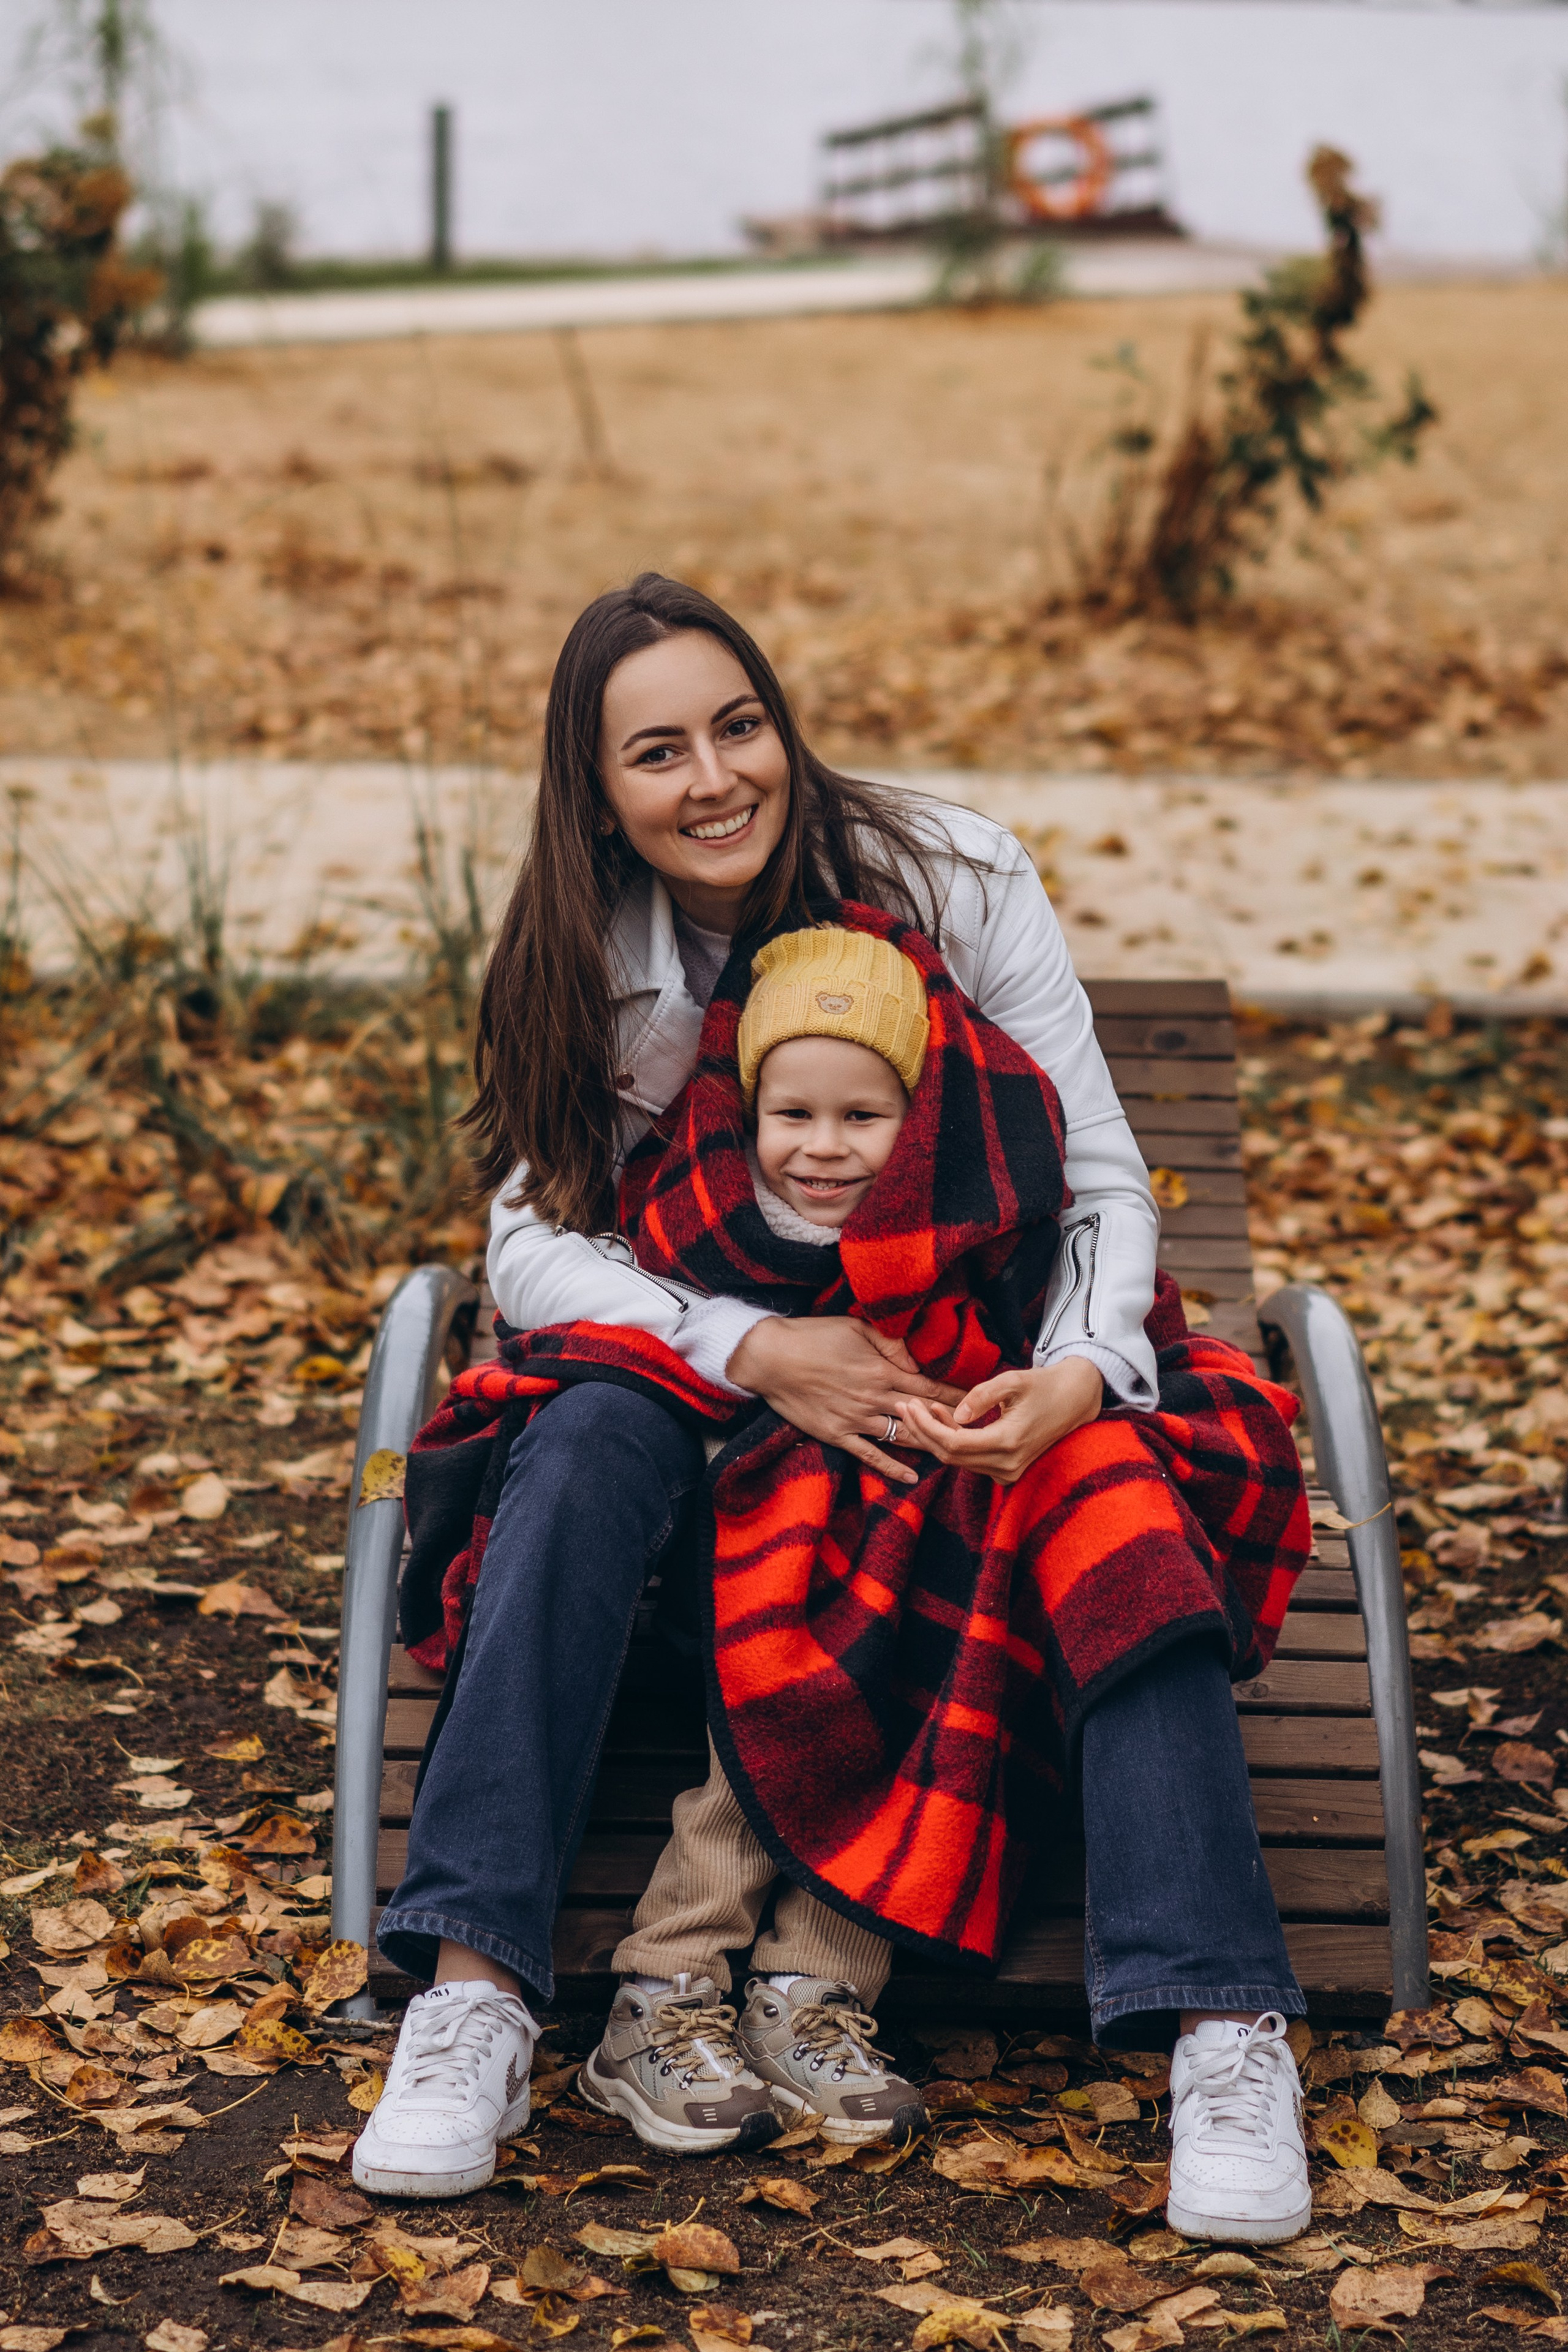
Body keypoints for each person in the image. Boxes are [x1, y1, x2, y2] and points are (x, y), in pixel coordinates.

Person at [355, 573, 1313, 2247]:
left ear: (782, 728)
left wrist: (1073, 1370)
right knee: (575, 1448)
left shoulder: (950, 874)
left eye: (739, 727)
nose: (714, 777)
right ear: (598, 792)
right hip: (714, 1384)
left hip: (970, 1357)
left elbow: (1099, 1179)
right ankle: (471, 1999)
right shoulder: (587, 953)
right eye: (658, 752)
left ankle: (1225, 2029)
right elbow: (531, 1246)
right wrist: (752, 1348)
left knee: (1108, 1487)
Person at [582, 925, 933, 2153]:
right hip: (729, 1567)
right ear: (747, 1111)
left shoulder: (945, 1243)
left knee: (904, 1675)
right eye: (794, 1114)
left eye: (862, 1117)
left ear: (914, 1123)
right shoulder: (695, 1227)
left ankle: (812, 1989)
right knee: (780, 1698)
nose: (823, 1148)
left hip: (899, 1573)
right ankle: (665, 1981)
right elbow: (644, 1369)